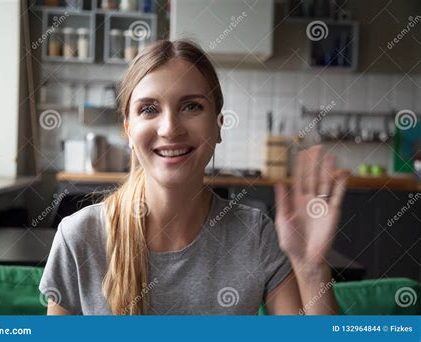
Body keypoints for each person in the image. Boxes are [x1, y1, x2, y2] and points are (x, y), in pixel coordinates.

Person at [39, 39, 349, 315]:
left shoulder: (256, 236)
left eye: (191, 106)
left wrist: (311, 271)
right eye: (149, 109)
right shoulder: (78, 237)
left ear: (218, 126)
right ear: (128, 131)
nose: (170, 128)